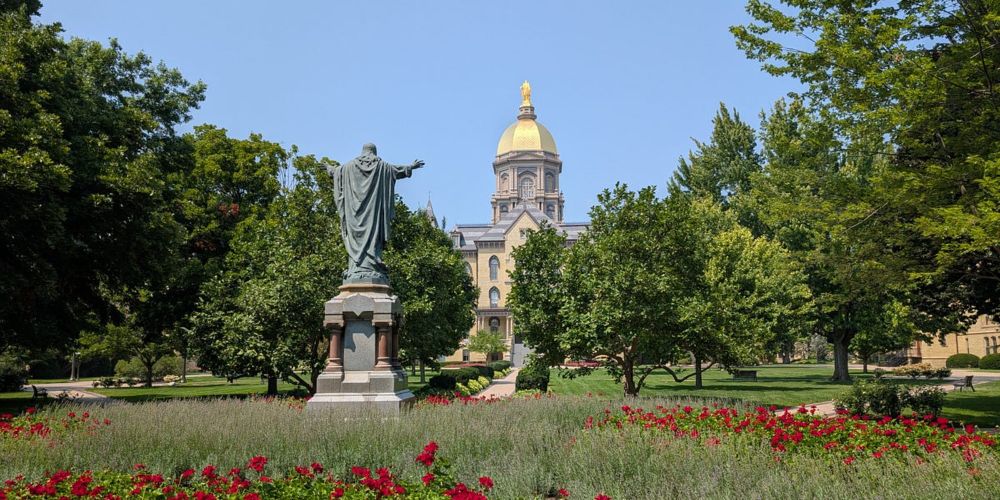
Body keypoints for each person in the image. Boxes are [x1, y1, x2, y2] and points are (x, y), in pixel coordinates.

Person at [329, 143, 424, 284]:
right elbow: (397, 170)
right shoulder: (382, 167)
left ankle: (357, 268)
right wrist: (410, 167)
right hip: (374, 215)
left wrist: (330, 169)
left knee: (356, 238)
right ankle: (367, 267)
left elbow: (338, 172)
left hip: (354, 216)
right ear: (374, 152)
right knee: (374, 236)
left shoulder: (348, 167)